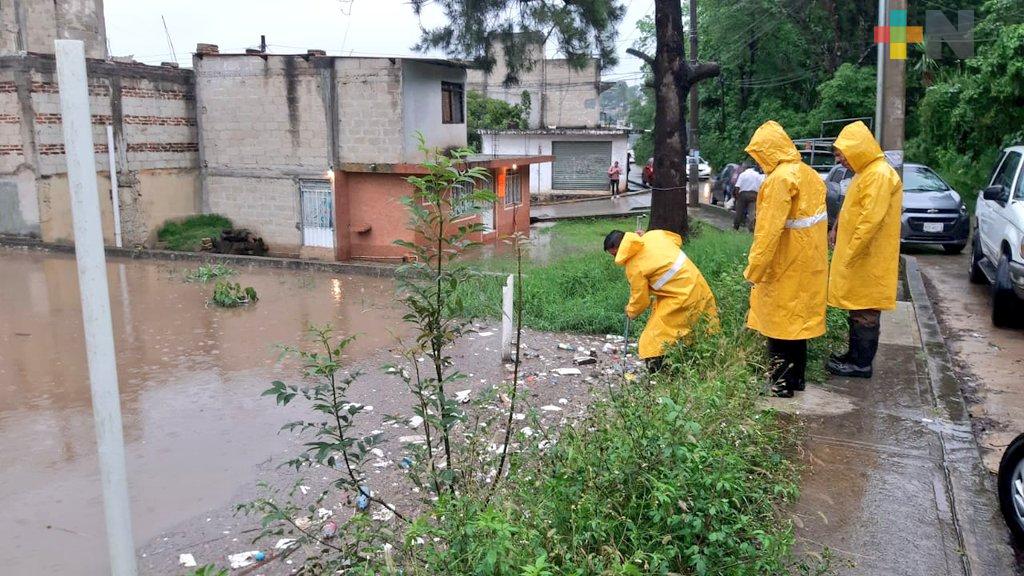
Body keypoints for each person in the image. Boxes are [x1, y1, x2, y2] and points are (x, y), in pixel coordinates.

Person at [743, 121, 829, 398]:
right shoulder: (809, 174)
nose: (758, 161)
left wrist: (754, 270)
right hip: (810, 265)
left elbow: (768, 232)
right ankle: (797, 380)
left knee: (777, 327)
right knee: (797, 326)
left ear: (768, 151)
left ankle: (780, 385)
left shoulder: (779, 180)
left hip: (784, 265)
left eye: (759, 154)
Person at [826, 121, 903, 378]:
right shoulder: (866, 172)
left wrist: (850, 254)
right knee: (857, 306)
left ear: (857, 149)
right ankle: (854, 356)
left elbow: (870, 221)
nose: (839, 160)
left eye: (841, 154)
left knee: (866, 309)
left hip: (868, 257)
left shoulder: (879, 174)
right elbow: (851, 207)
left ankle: (861, 364)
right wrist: (836, 228)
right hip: (861, 255)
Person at [604, 228, 719, 371]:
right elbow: (677, 239)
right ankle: (702, 365)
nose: (615, 258)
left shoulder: (634, 266)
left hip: (681, 296)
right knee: (699, 327)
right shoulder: (654, 235)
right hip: (697, 284)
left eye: (614, 254)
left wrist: (630, 311)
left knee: (653, 339)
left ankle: (659, 373)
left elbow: (641, 299)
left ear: (619, 249)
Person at [733, 163, 764, 231]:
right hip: (754, 195)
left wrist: (736, 197)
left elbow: (737, 187)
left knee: (739, 212)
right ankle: (751, 229)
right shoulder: (759, 175)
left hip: (743, 195)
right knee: (752, 213)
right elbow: (762, 187)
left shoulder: (743, 174)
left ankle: (735, 228)